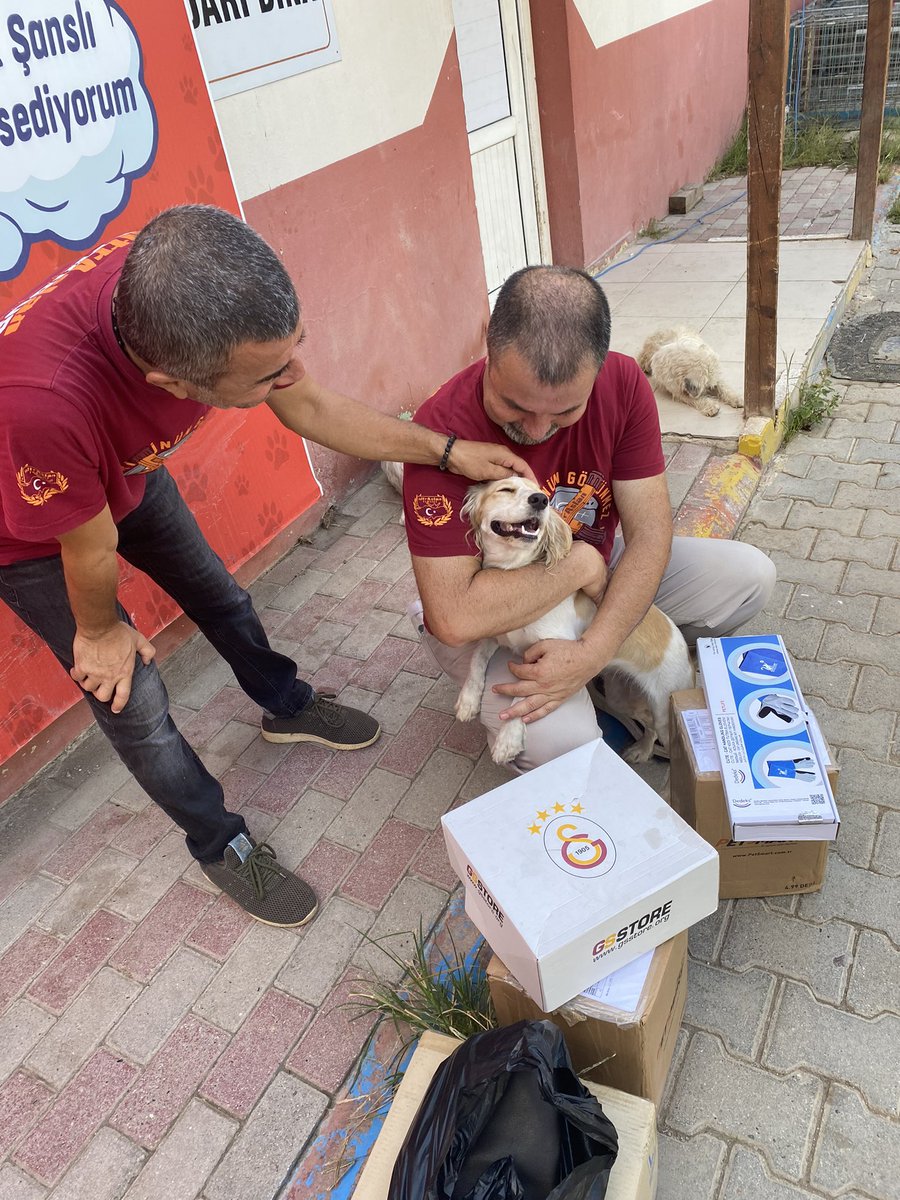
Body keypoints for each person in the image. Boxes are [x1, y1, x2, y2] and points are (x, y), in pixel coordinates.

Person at [0, 204, 534, 928]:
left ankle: (286, 705)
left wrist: (446, 450)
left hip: (126, 471)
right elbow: (87, 545)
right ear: (172, 385)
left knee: (220, 594)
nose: (290, 374)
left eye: (293, 349)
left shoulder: (177, 274)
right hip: (35, 532)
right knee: (135, 700)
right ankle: (220, 843)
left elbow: (309, 404)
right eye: (263, 376)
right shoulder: (41, 403)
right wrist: (98, 633)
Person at [403, 265, 776, 771]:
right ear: (488, 352)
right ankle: (590, 692)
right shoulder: (441, 427)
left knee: (750, 577)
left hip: (590, 583)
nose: (536, 430)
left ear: (598, 371)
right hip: (489, 604)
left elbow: (649, 536)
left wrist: (594, 651)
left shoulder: (624, 384)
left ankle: (605, 674)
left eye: (564, 412)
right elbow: (456, 616)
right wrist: (579, 566)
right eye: (514, 407)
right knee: (558, 749)